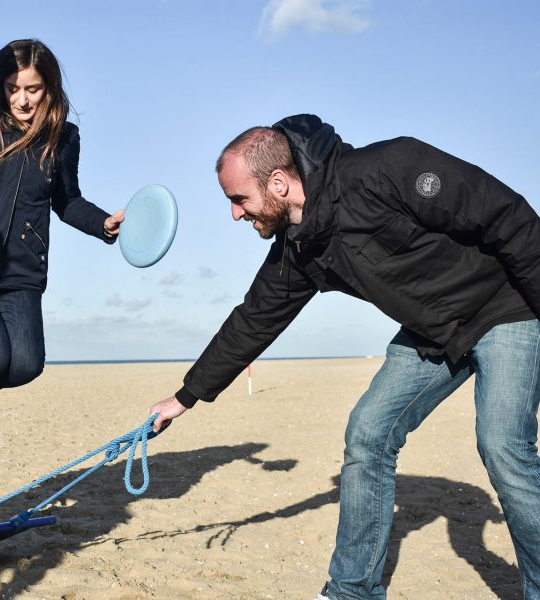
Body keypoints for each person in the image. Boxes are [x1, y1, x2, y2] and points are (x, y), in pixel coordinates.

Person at [148, 115, 540, 599]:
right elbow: (253, 321)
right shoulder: (299, 247)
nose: (235, 214)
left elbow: (506, 216)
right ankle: (352, 591)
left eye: (238, 199)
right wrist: (185, 397)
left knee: (502, 446)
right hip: (432, 334)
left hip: (505, 307)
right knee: (368, 435)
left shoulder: (389, 166)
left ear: (278, 182)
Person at [0, 39, 124, 443]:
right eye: (12, 88)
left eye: (32, 89)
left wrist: (102, 223)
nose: (22, 99)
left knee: (26, 366)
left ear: (49, 87)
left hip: (21, 272)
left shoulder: (64, 137)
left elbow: (66, 201)